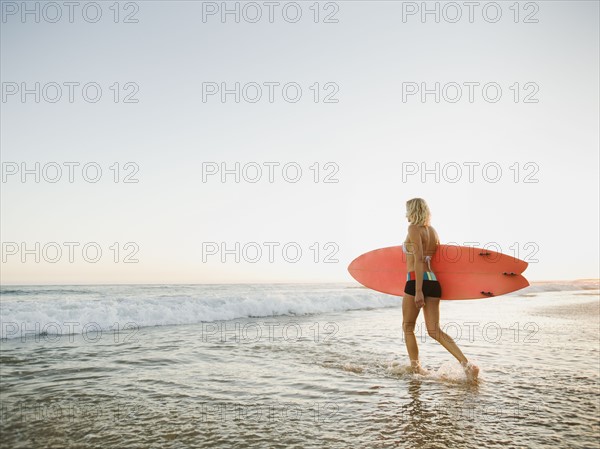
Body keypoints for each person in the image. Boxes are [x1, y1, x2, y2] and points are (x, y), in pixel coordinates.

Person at [402, 198, 479, 382]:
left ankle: (416, 369)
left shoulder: (413, 229)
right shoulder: (433, 231)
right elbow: (436, 260)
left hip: (416, 281)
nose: (405, 214)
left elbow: (419, 259)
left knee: (408, 327)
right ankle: (467, 365)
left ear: (412, 210)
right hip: (434, 281)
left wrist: (418, 290)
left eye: (407, 210)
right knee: (435, 330)